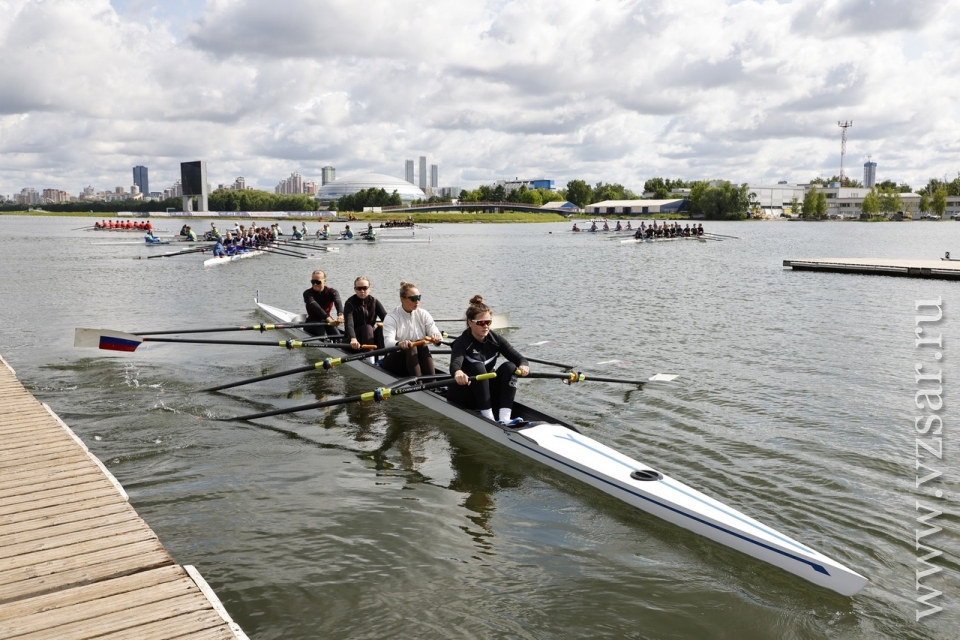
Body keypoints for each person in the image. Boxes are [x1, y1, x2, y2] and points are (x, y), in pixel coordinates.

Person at [448, 295, 529, 424]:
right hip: (464, 393)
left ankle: (505, 417)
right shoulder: (462, 342)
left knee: (510, 367)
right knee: (478, 367)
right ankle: (488, 419)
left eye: (489, 322)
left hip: (485, 394)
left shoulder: (495, 339)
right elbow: (455, 364)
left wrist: (523, 365)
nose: (485, 326)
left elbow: (519, 358)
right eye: (481, 323)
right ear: (470, 322)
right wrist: (458, 372)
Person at [380, 281, 443, 377]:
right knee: (411, 346)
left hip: (414, 360)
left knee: (422, 345)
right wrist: (399, 343)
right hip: (395, 361)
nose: (417, 301)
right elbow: (388, 342)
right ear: (402, 299)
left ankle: (431, 383)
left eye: (418, 297)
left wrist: (436, 337)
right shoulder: (391, 317)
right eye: (413, 298)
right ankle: (419, 385)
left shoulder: (423, 314)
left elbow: (434, 330)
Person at [343, 276, 387, 354]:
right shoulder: (350, 303)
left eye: (365, 288)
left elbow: (387, 319)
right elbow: (349, 324)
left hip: (370, 338)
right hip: (354, 340)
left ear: (369, 289)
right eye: (359, 288)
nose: (362, 291)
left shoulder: (374, 301)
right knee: (367, 327)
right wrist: (353, 338)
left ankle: (382, 357)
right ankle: (370, 359)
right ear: (355, 289)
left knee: (382, 327)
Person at [303, 270, 344, 338]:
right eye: (313, 282)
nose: (315, 284)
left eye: (318, 282)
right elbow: (316, 307)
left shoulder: (332, 292)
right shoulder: (307, 293)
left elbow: (338, 302)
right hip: (312, 322)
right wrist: (327, 318)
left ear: (324, 281)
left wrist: (340, 315)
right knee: (323, 335)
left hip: (326, 321)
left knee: (338, 337)